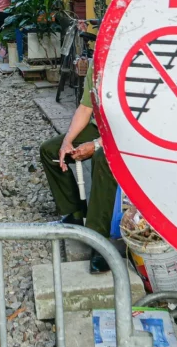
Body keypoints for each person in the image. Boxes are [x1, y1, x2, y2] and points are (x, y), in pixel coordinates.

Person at [39, 63, 118, 274]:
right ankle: (73, 213)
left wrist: (97, 145)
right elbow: (85, 108)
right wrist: (68, 141)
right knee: (51, 151)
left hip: (127, 133)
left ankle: (99, 242)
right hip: (100, 127)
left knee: (103, 158)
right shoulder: (97, 63)